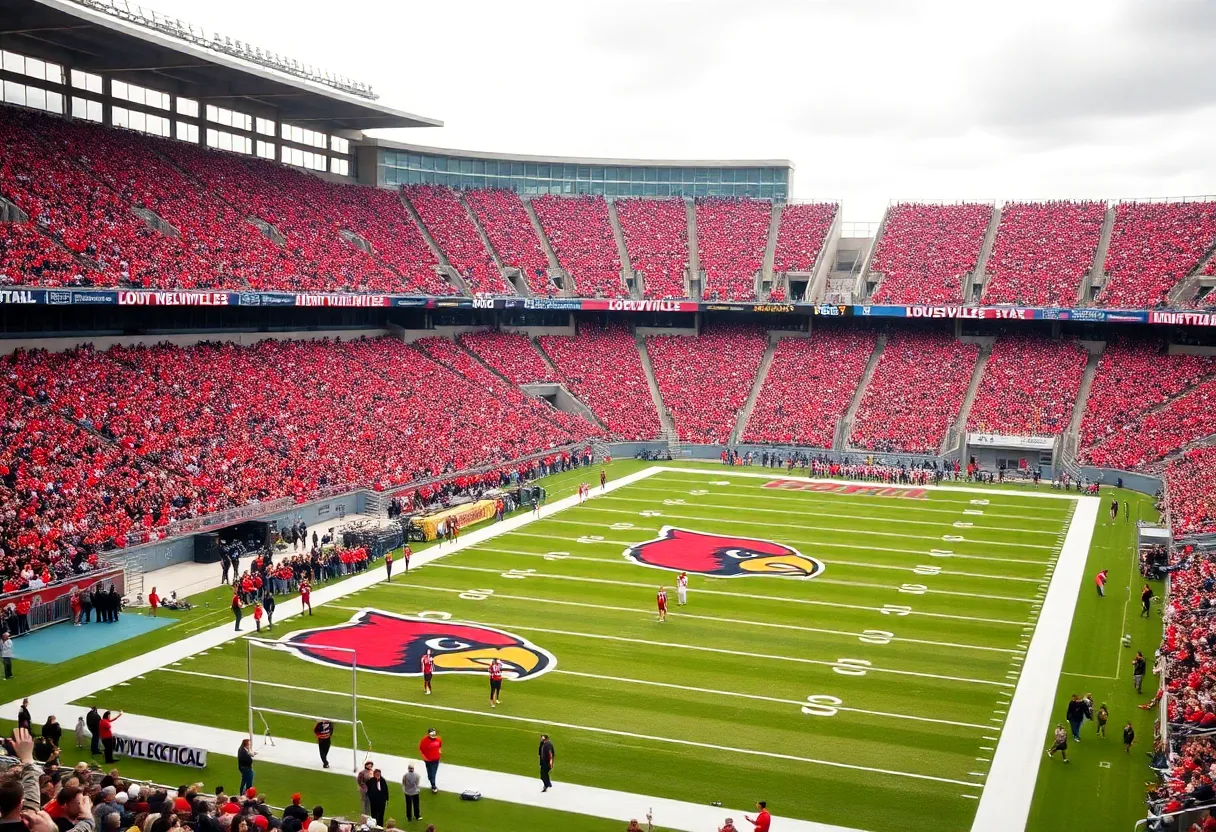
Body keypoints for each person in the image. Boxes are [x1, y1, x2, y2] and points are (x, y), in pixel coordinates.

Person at [418, 729, 442, 794]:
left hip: (436, 760)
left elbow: (440, 746)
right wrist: (425, 758)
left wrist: (439, 752)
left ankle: (433, 786)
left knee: (433, 773)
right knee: (429, 772)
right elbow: (421, 749)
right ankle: (431, 780)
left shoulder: (438, 739)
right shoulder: (424, 740)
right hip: (428, 760)